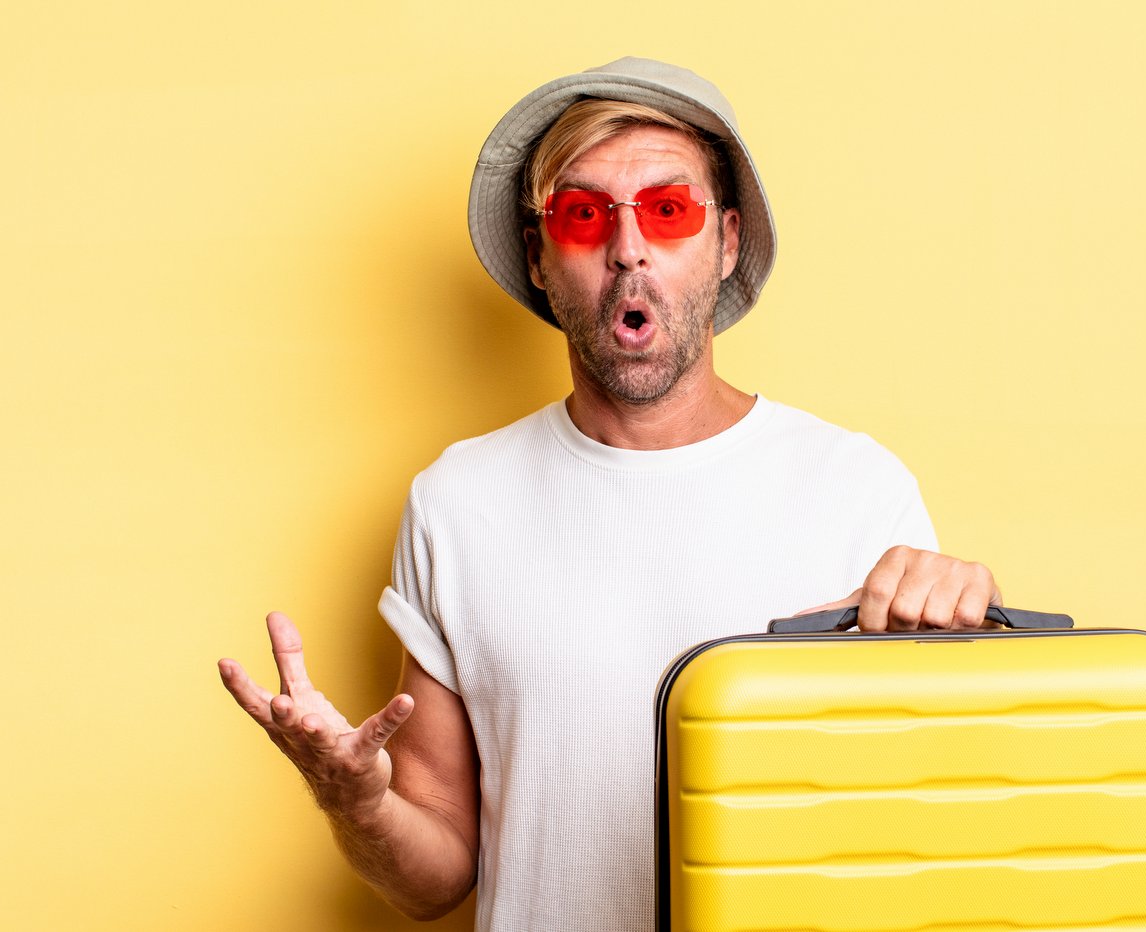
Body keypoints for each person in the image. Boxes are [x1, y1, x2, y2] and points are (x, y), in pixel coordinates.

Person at [218, 58, 1002, 930]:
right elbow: (434, 878)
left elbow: (929, 822)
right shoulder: (459, 503)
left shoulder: (858, 490)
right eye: (583, 215)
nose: (627, 247)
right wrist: (358, 802)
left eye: (668, 212)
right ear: (540, 259)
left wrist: (967, 641)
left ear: (727, 241)